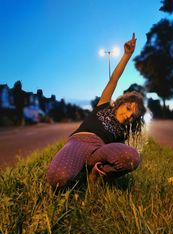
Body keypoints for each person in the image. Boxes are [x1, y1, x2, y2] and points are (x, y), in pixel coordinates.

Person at [47, 33, 146, 188]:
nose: (128, 115)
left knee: (131, 157)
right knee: (58, 179)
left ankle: (96, 175)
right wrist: (127, 55)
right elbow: (114, 79)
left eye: (132, 116)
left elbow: (117, 155)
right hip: (78, 142)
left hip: (100, 151)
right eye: (128, 109)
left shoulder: (122, 132)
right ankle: (77, 167)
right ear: (120, 102)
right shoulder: (104, 105)